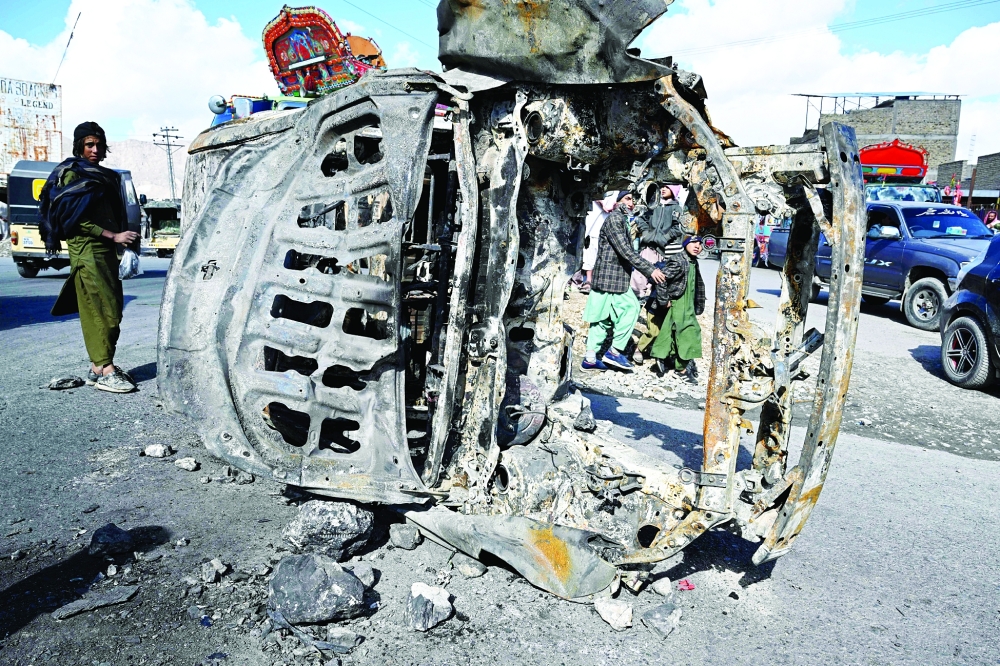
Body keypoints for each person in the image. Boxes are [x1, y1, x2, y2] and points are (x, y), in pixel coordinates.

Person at [40, 121, 139, 393]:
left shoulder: (103, 175)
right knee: (100, 309)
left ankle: (97, 368)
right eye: (89, 144)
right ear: (79, 146)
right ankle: (105, 369)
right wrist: (112, 235)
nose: (95, 149)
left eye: (98, 144)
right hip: (86, 250)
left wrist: (124, 241)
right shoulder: (73, 174)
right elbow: (72, 219)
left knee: (113, 309)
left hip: (105, 252)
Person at [581, 190, 666, 371]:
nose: (631, 203)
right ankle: (615, 351)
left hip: (606, 277)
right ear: (617, 201)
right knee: (632, 308)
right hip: (612, 278)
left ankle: (590, 358)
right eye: (627, 199)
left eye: (632, 201)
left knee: (601, 319)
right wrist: (651, 270)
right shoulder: (615, 220)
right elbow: (626, 251)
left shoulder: (620, 219)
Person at [646, 235, 706, 383]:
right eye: (693, 243)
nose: (697, 246)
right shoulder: (678, 260)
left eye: (700, 243)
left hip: (688, 303)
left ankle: (663, 357)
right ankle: (682, 369)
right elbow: (660, 278)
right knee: (689, 332)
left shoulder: (692, 261)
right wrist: (663, 300)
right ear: (685, 244)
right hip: (679, 303)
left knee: (672, 331)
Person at [631, 184, 684, 298]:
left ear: (674, 190)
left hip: (664, 250)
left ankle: (651, 303)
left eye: (667, 187)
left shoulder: (676, 208)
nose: (663, 189)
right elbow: (641, 219)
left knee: (659, 279)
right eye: (662, 187)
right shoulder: (653, 204)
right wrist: (645, 233)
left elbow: (677, 227)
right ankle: (635, 298)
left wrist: (664, 238)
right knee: (639, 275)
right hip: (648, 247)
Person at [580, 191, 618, 293]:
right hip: (594, 216)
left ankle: (601, 281)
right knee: (590, 247)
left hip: (608, 218)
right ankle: (588, 281)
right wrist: (602, 202)